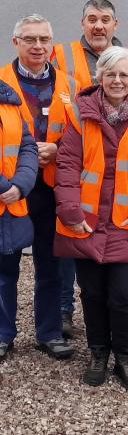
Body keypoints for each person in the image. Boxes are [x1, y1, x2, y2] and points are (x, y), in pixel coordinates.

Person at [54, 46, 128, 392]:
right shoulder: (78, 114)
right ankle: (98, 352)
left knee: (126, 294)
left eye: (124, 75)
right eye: (111, 74)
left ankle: (125, 357)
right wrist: (69, 211)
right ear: (99, 77)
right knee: (93, 292)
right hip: (85, 221)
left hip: (127, 223)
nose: (117, 80)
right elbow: (68, 165)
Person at [52, 0, 128, 338]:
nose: (98, 25)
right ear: (82, 23)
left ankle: (121, 347)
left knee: (121, 288)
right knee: (73, 257)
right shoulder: (61, 55)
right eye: (91, 19)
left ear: (115, 24)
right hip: (77, 175)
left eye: (105, 19)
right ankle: (64, 312)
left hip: (120, 200)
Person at [0, 14, 76, 359]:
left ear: (52, 42)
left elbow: (82, 134)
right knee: (5, 265)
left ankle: (48, 333)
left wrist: (58, 148)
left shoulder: (69, 84)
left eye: (44, 39)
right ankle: (3, 334)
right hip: (11, 189)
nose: (38, 46)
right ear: (16, 42)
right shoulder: (1, 80)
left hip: (51, 186)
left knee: (51, 265)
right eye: (29, 39)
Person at [0, 80, 38, 360]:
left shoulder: (9, 101)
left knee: (6, 275)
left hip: (10, 205)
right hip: (6, 195)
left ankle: (3, 334)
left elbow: (27, 146)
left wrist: (21, 184)